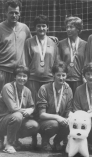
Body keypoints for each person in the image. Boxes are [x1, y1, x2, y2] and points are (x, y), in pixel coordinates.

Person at [24, 15, 59, 147]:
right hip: (33, 79)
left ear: (47, 27)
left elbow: (56, 63)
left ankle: (45, 140)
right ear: (35, 28)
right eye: (39, 26)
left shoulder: (53, 43)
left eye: (44, 26)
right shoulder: (29, 42)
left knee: (47, 109)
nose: (41, 28)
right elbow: (26, 62)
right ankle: (34, 139)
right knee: (33, 109)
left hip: (48, 80)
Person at [0, 0, 31, 106]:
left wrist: (48, 37)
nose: (14, 15)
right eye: (11, 12)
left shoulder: (24, 28)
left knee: (17, 101)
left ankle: (14, 122)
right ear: (5, 13)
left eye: (16, 13)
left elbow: (32, 43)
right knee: (0, 101)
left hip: (19, 73)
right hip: (2, 71)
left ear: (20, 13)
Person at [0, 65, 39, 154]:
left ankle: (15, 140)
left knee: (34, 125)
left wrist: (31, 110)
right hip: (2, 122)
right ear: (15, 76)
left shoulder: (27, 91)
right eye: (19, 76)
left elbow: (32, 106)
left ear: (28, 78)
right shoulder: (8, 87)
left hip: (16, 120)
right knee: (17, 116)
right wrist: (27, 110)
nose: (22, 78)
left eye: (24, 76)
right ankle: (8, 144)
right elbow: (13, 108)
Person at [36, 61, 73, 151]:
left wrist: (69, 118)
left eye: (63, 75)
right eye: (58, 75)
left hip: (60, 120)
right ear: (53, 75)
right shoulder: (44, 88)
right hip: (45, 122)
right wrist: (57, 117)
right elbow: (42, 114)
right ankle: (45, 141)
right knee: (54, 124)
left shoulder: (68, 90)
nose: (61, 78)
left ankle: (57, 141)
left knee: (71, 122)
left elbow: (69, 111)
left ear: (66, 75)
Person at [58, 16, 87, 94]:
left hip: (79, 80)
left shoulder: (85, 44)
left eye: (71, 27)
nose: (68, 29)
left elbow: (86, 62)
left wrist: (84, 77)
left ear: (78, 29)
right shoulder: (61, 44)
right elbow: (59, 62)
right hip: (64, 80)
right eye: (67, 27)